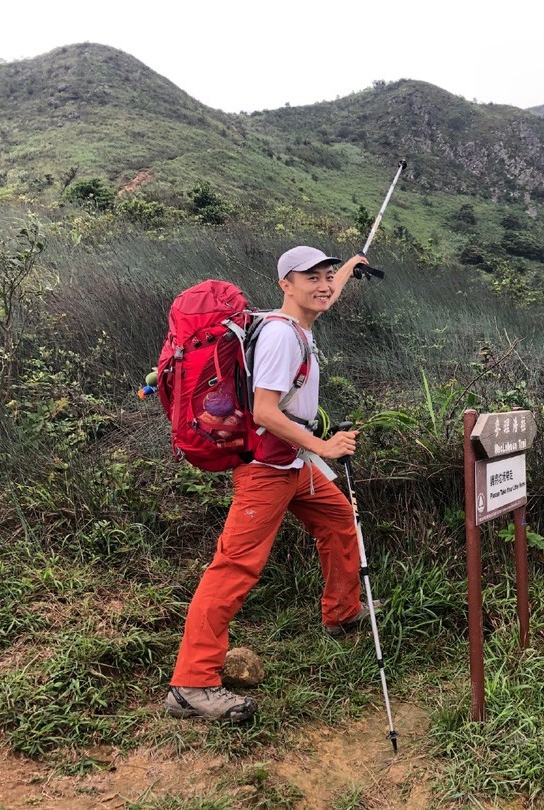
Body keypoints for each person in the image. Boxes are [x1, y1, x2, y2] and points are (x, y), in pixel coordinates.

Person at [164, 246, 377, 722]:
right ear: (286, 284)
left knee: (340, 519)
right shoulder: (282, 337)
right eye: (311, 278)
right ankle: (191, 685)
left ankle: (343, 613)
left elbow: (328, 294)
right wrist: (323, 447)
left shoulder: (294, 322)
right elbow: (264, 411)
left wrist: (349, 267)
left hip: (291, 466)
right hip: (267, 471)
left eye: (326, 276)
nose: (323, 286)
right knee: (234, 568)